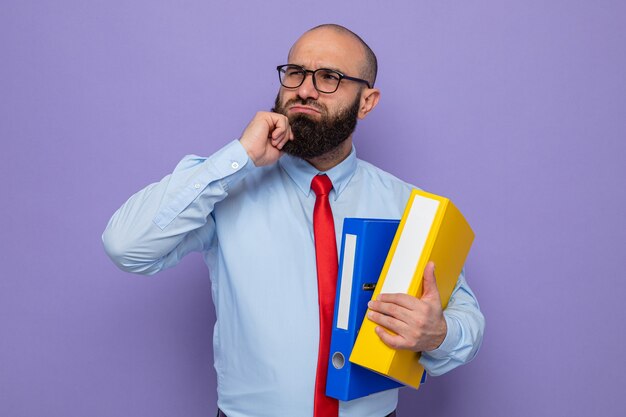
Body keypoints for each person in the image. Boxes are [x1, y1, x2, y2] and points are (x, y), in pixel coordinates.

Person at [103, 24, 484, 417]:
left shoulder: (408, 205)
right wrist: (236, 158)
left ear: (367, 101)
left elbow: (465, 321)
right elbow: (125, 247)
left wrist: (439, 334)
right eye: (296, 73)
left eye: (329, 77)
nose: (305, 89)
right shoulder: (226, 185)